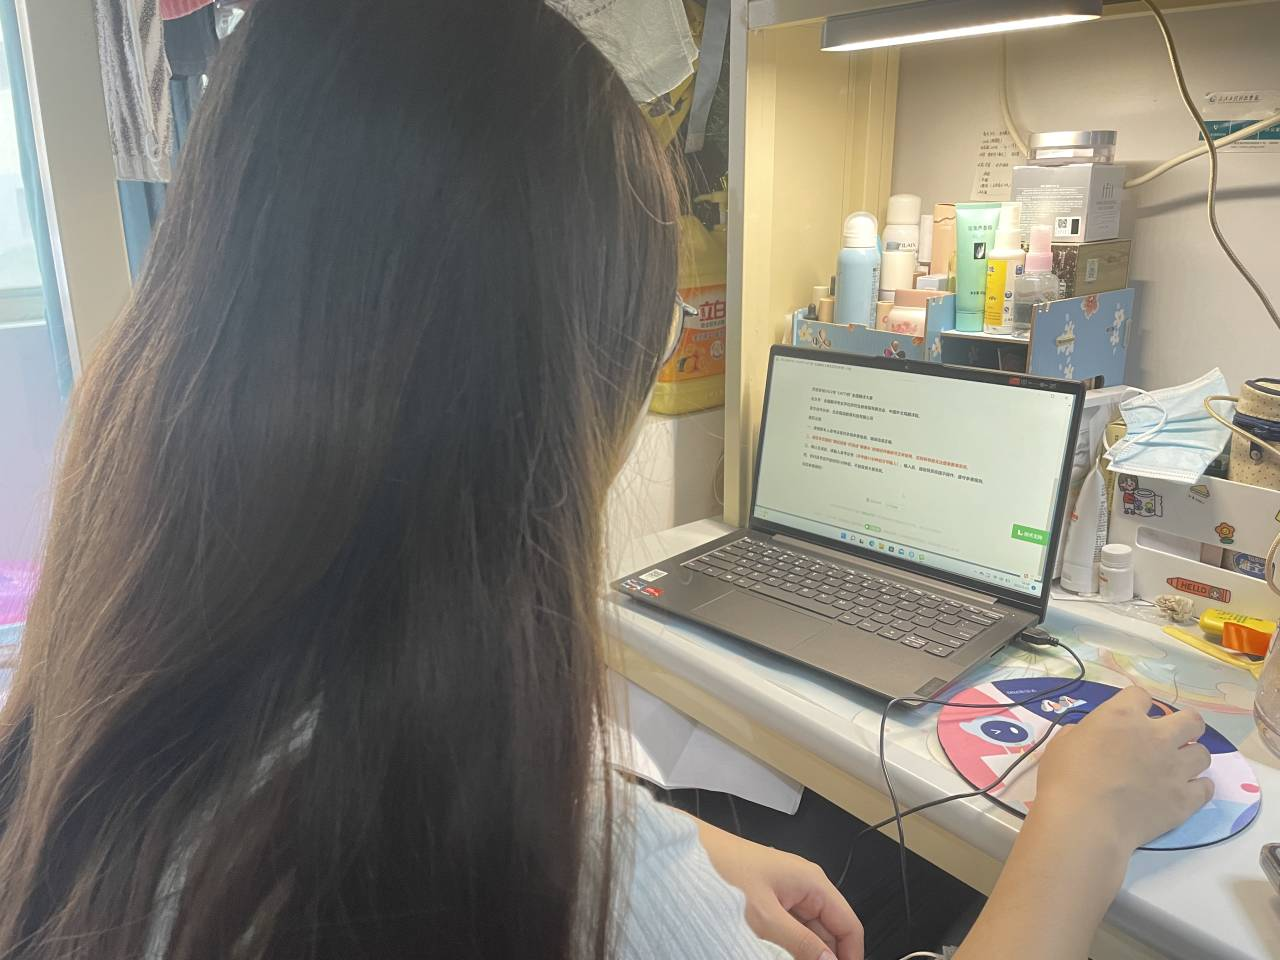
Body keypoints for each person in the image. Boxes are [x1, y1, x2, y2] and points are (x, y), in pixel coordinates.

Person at [0, 2, 1212, 959]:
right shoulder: (540, 869)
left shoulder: (102, 697)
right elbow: (591, 873)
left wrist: (683, 843)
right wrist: (1080, 823)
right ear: (558, 407)